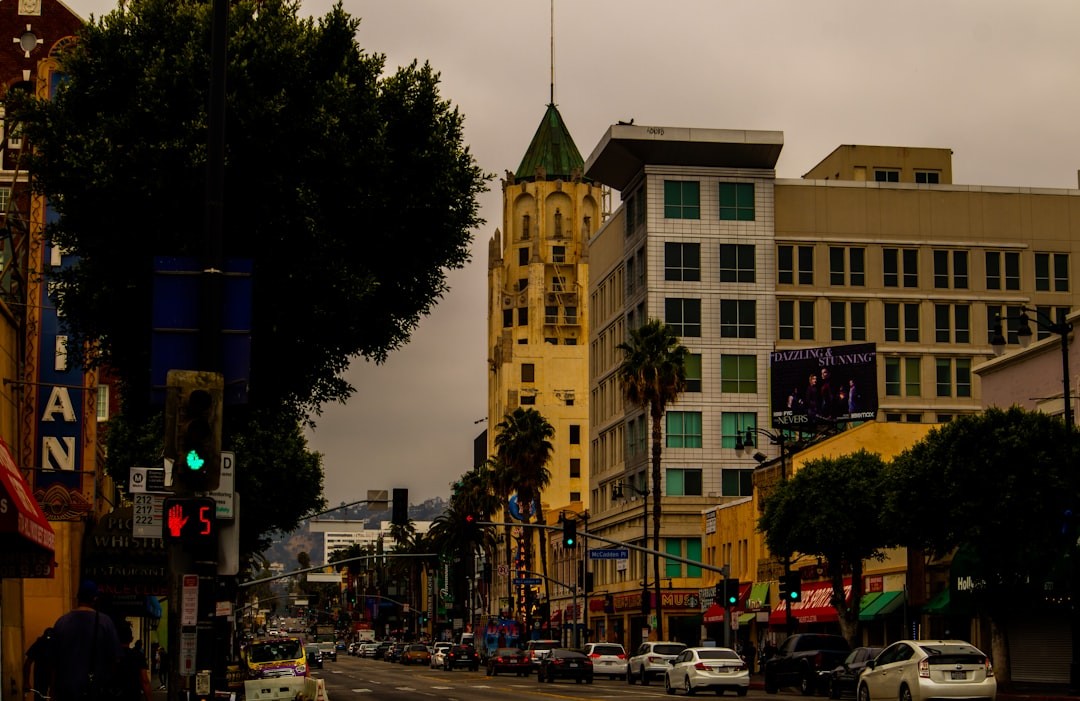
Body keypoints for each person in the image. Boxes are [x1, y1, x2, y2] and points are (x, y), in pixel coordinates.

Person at [49, 580, 121, 701]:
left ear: (78, 597)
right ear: (95, 599)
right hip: (94, 689)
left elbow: (53, 662)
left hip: (65, 690)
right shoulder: (105, 622)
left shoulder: (61, 622)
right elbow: (115, 659)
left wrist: (52, 689)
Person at [114, 620, 152, 701]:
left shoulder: (110, 655)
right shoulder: (138, 655)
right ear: (131, 639)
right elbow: (144, 680)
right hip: (132, 694)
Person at [23, 627, 54, 698]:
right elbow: (28, 663)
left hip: (45, 679)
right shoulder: (40, 644)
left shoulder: (41, 643)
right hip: (41, 679)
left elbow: (28, 663)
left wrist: (26, 682)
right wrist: (26, 682)